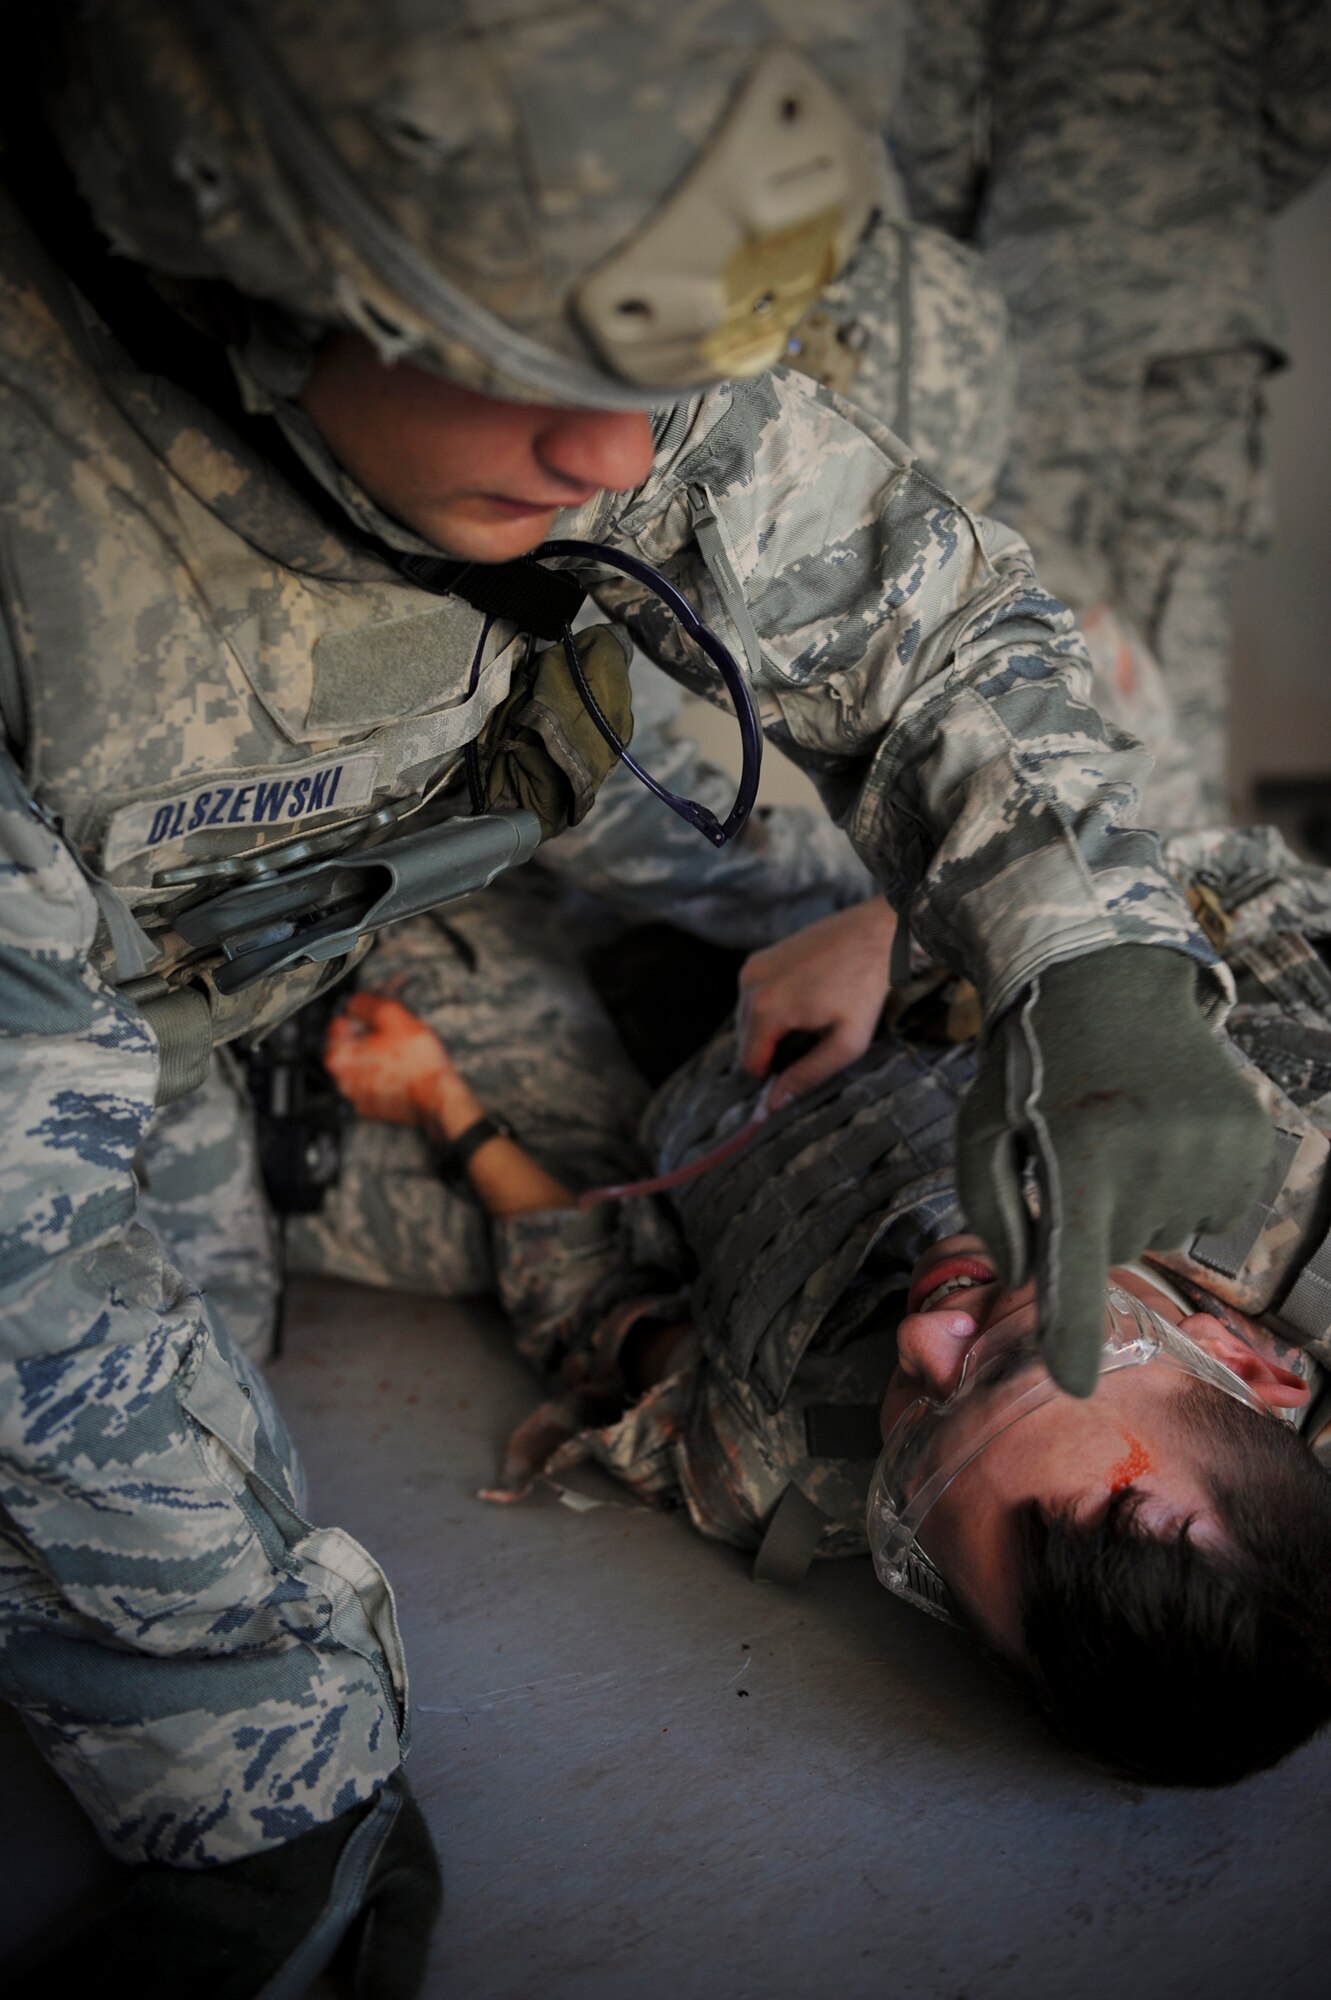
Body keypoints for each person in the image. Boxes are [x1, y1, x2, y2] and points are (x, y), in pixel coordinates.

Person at [0, 3, 1272, 1988]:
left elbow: (904, 591)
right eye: (517, 367)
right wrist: (257, 1787)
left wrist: (1082, 945)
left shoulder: (785, 1447)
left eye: (653, 368)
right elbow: (21, 1229)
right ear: (244, 253)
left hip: (458, 914)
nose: (611, 449)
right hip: (176, 977)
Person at [325, 817, 1331, 1787]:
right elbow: (1219, 871)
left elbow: (592, 1301)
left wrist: (442, 1109)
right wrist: (911, 928)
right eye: (1019, 1352)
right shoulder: (1283, 1146)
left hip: (646, 1089)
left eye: (912, 1452)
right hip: (868, 913)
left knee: (403, 882)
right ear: (1236, 1358)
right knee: (596, 796)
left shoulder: (784, 1458)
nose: (921, 1334)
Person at [892, 0, 1331, 820]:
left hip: (1051, 281)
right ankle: (1190, 905)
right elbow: (1311, 99)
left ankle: (1069, 909)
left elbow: (932, 103)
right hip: (1209, 291)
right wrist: (1207, 197)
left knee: (1038, 603)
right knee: (1179, 604)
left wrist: (1000, 226)